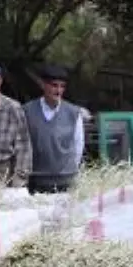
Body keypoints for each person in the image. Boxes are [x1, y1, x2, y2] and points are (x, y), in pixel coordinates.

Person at [23, 64, 85, 193]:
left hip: (65, 181)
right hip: (36, 180)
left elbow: (78, 145)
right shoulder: (27, 111)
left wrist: (70, 170)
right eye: (54, 85)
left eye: (62, 86)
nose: (58, 90)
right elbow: (23, 144)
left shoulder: (73, 113)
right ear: (44, 85)